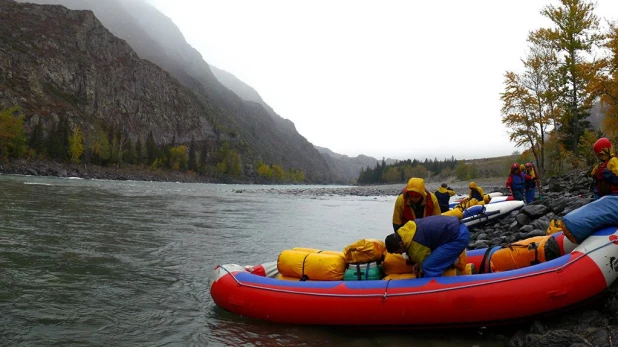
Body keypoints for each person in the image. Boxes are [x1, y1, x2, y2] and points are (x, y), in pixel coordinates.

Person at [384, 215, 470, 278]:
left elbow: (424, 261)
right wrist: (418, 264)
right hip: (456, 228)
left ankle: (434, 291)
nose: (401, 253)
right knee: (429, 263)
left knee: (429, 267)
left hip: (457, 237)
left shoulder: (415, 243)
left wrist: (421, 269)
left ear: (400, 244)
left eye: (398, 251)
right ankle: (453, 262)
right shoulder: (408, 231)